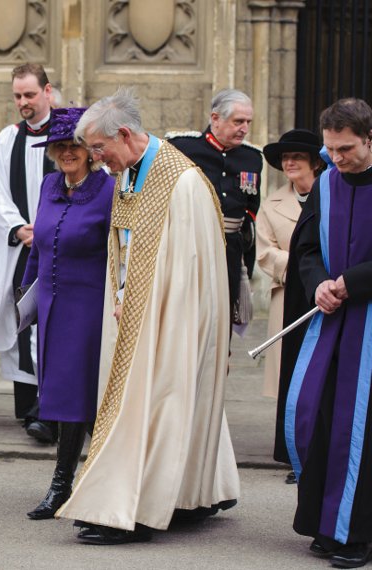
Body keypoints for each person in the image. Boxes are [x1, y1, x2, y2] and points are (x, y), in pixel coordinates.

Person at [55, 88, 240, 545]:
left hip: (171, 318)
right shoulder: (128, 173)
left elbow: (191, 270)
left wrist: (149, 307)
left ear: (124, 134)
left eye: (99, 148)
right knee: (137, 405)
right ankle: (169, 497)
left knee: (158, 404)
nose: (96, 158)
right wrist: (122, 293)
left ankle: (134, 511)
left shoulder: (182, 182)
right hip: (130, 311)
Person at [283, 98, 372, 568]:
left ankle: (356, 534)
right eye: (331, 149)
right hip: (333, 321)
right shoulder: (328, 185)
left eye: (346, 149)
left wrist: (353, 281)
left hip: (369, 324)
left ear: (370, 139)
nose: (336, 158)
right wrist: (318, 282)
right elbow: (306, 248)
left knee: (361, 428)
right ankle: (325, 522)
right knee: (319, 416)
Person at [20, 107, 114, 520]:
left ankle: (67, 485)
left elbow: (120, 253)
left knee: (80, 397)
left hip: (89, 308)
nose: (66, 153)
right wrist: (25, 295)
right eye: (58, 146)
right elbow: (39, 246)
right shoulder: (49, 185)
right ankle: (92, 481)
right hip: (51, 307)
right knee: (61, 397)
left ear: (90, 149)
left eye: (74, 145)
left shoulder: (108, 190)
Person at [0, 62, 57, 443]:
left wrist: (48, 228)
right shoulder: (7, 139)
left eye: (30, 94)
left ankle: (52, 405)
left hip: (60, 245)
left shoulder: (67, 135)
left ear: (47, 91)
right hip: (24, 246)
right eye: (17, 96)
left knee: (55, 323)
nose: (23, 102)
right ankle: (30, 404)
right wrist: (18, 227)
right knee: (23, 317)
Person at [256, 129, 324, 483]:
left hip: (326, 292)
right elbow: (264, 251)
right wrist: (300, 266)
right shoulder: (271, 203)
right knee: (292, 374)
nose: (290, 163)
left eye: (297, 156)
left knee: (322, 372)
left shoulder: (331, 194)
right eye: (285, 158)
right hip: (289, 294)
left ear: (315, 162)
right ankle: (291, 452)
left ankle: (321, 449)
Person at [168, 89, 262, 329]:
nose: (244, 128)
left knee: (222, 320)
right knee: (188, 318)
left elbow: (251, 208)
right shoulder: (182, 148)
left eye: (248, 122)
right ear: (215, 118)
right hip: (191, 246)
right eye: (238, 121)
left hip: (230, 250)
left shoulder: (252, 158)